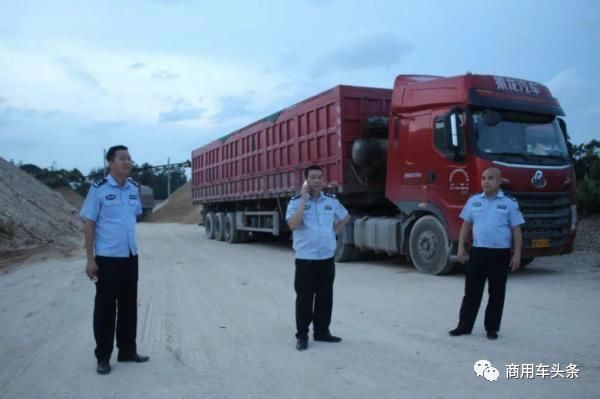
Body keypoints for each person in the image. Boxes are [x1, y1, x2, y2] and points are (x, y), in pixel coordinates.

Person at [80, 145, 149, 374]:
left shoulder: (133, 189)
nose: (128, 162)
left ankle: (128, 350)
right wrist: (90, 259)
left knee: (129, 305)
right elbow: (89, 223)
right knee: (105, 308)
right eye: (122, 158)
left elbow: (133, 217)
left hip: (130, 256)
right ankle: (103, 357)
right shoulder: (98, 189)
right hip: (108, 259)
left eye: (129, 158)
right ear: (110, 162)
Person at [449, 167, 525, 340]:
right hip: (478, 252)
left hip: (500, 254)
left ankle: (492, 328)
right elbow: (466, 225)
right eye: (483, 178)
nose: (486, 181)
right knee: (471, 292)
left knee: (496, 293)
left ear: (499, 181)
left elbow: (516, 230)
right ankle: (464, 326)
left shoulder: (509, 203)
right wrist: (461, 246)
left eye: (490, 178)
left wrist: (517, 253)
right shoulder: (474, 201)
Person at [286, 165, 350, 351]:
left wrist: (333, 232)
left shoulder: (330, 201)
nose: (316, 180)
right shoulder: (295, 201)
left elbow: (345, 217)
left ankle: (322, 332)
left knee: (325, 296)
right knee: (305, 298)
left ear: (323, 180)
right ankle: (302, 335)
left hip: (326, 258)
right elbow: (293, 225)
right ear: (306, 180)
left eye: (319, 177)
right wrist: (303, 201)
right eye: (312, 177)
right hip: (306, 259)